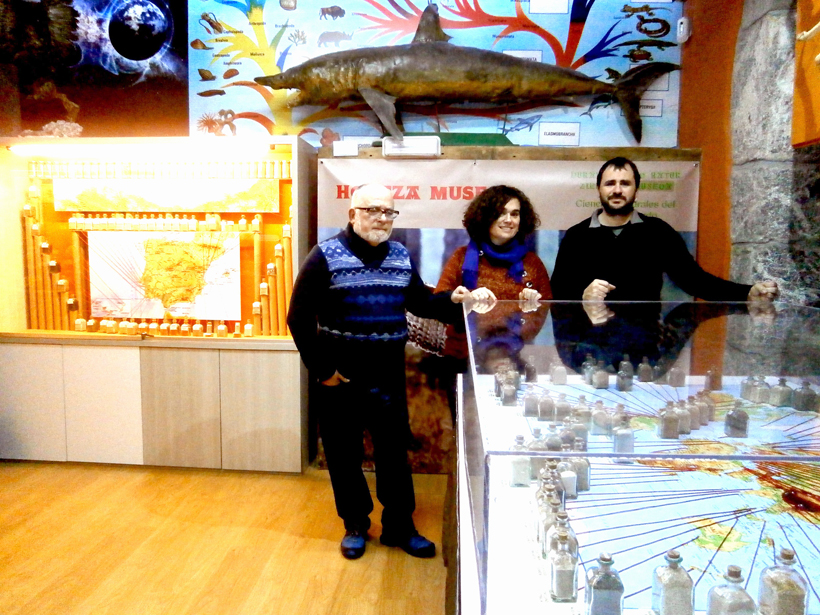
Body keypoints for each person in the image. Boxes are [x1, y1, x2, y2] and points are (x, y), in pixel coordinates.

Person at [287, 184, 471, 561]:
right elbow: (298, 317)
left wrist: (451, 300)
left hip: (388, 376)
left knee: (394, 454)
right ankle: (355, 524)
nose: (381, 219)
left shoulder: (400, 255)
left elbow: (420, 302)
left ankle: (399, 526)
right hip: (340, 378)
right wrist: (323, 370)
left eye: (388, 212)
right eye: (372, 210)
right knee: (344, 455)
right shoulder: (324, 255)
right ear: (352, 214)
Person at [550, 156, 779, 302]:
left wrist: (746, 292)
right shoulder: (576, 236)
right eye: (610, 183)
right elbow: (557, 293)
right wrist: (583, 296)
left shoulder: (657, 232)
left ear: (636, 190)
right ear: (599, 189)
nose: (617, 190)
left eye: (625, 183)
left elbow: (695, 280)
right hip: (590, 345)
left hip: (643, 348)